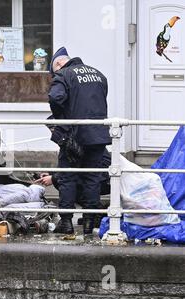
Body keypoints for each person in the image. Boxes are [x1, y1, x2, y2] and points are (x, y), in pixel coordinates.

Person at [47, 47, 111, 235]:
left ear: (58, 64)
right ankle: (90, 223)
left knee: (68, 177)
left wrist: (61, 121)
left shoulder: (64, 75)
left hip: (73, 137)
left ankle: (66, 222)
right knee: (92, 178)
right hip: (98, 136)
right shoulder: (99, 75)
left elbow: (55, 97)